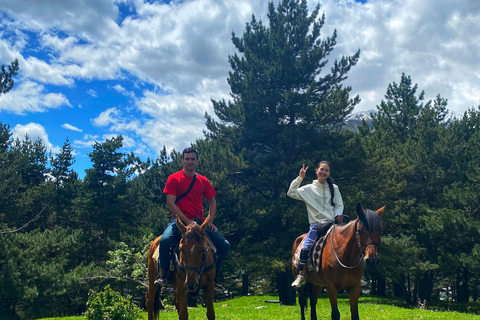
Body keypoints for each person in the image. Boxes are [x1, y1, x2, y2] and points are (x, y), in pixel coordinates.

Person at [154, 147, 230, 292]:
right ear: (182, 160)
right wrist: (188, 222)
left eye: (192, 159)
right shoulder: (174, 178)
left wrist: (210, 221)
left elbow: (212, 202)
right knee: (165, 241)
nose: (190, 161)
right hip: (179, 222)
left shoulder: (203, 181)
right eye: (187, 158)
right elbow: (170, 204)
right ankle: (164, 274)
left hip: (200, 223)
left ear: (197, 161)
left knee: (224, 245)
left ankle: (214, 277)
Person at [287, 161, 344, 288]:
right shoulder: (308, 189)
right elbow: (291, 193)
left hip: (333, 224)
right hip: (317, 225)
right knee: (306, 247)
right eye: (322, 169)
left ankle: (353, 275)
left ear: (329, 173)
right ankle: (301, 275)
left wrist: (338, 214)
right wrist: (300, 178)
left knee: (350, 242)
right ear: (316, 171)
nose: (324, 172)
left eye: (327, 170)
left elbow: (339, 204)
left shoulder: (334, 188)